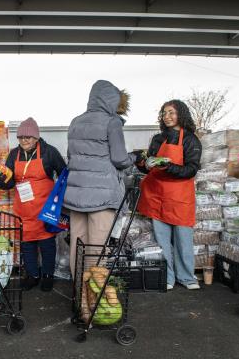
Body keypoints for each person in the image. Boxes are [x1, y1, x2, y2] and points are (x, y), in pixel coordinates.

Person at [63, 80, 135, 277]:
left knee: (77, 247)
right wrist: (134, 158)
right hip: (102, 198)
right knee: (96, 249)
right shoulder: (111, 122)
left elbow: (71, 157)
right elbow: (120, 159)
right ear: (112, 100)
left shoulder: (75, 122)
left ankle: (80, 299)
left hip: (76, 197)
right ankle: (92, 303)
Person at [136, 100, 202, 290]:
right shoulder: (158, 139)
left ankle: (187, 277)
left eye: (171, 112)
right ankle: (168, 277)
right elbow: (149, 166)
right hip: (157, 194)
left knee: (183, 240)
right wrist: (142, 163)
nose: (167, 116)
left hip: (180, 197)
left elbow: (191, 170)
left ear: (181, 114)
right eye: (164, 113)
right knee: (162, 241)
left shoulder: (190, 139)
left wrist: (168, 166)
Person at [0, 117, 66, 291]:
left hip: (45, 208)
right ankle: (33, 275)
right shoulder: (14, 154)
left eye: (28, 137)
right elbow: (9, 183)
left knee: (47, 243)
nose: (24, 140)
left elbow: (64, 174)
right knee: (27, 244)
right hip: (23, 209)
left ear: (36, 137)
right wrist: (0, 179)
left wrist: (59, 200)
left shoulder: (49, 152)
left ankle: (47, 275)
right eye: (21, 137)